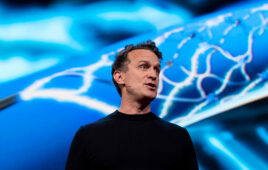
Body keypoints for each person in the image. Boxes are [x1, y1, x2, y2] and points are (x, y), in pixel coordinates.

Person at [66, 40, 199, 170]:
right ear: (119, 77)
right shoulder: (88, 136)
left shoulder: (178, 136)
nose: (153, 75)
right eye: (143, 67)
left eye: (157, 70)